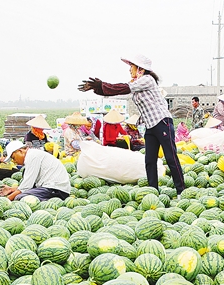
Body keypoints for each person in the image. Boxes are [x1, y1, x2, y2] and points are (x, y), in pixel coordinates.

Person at [78, 54, 185, 194]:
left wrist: (102, 85)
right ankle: (153, 192)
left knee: (171, 157)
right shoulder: (138, 82)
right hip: (151, 126)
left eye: (131, 67)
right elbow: (120, 90)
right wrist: (98, 89)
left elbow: (124, 88)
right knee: (149, 160)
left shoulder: (147, 79)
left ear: (140, 68)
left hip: (162, 122)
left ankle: (181, 191)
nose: (129, 70)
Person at [0, 141, 71, 201]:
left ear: (20, 151)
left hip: (56, 190)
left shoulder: (32, 156)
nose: (14, 161)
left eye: (13, 158)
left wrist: (7, 200)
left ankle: (49, 203)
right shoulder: (32, 154)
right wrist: (11, 189)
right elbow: (29, 184)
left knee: (20, 198)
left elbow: (26, 186)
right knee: (22, 187)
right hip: (52, 188)